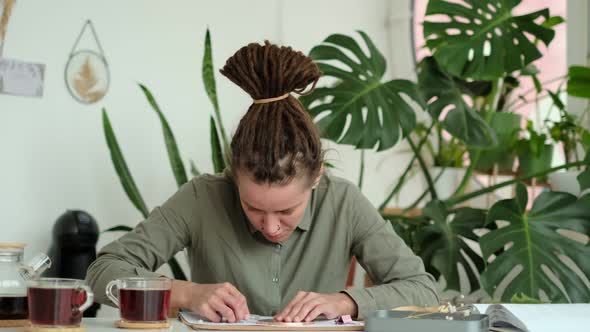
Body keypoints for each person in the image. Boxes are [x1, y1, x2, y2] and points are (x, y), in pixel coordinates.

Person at [86, 41, 439, 323]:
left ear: (317, 177)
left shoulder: (344, 202)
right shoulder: (201, 198)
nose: (271, 227)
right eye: (252, 207)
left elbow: (424, 291)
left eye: (287, 210)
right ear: (233, 176)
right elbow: (102, 273)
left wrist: (345, 301)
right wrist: (186, 293)